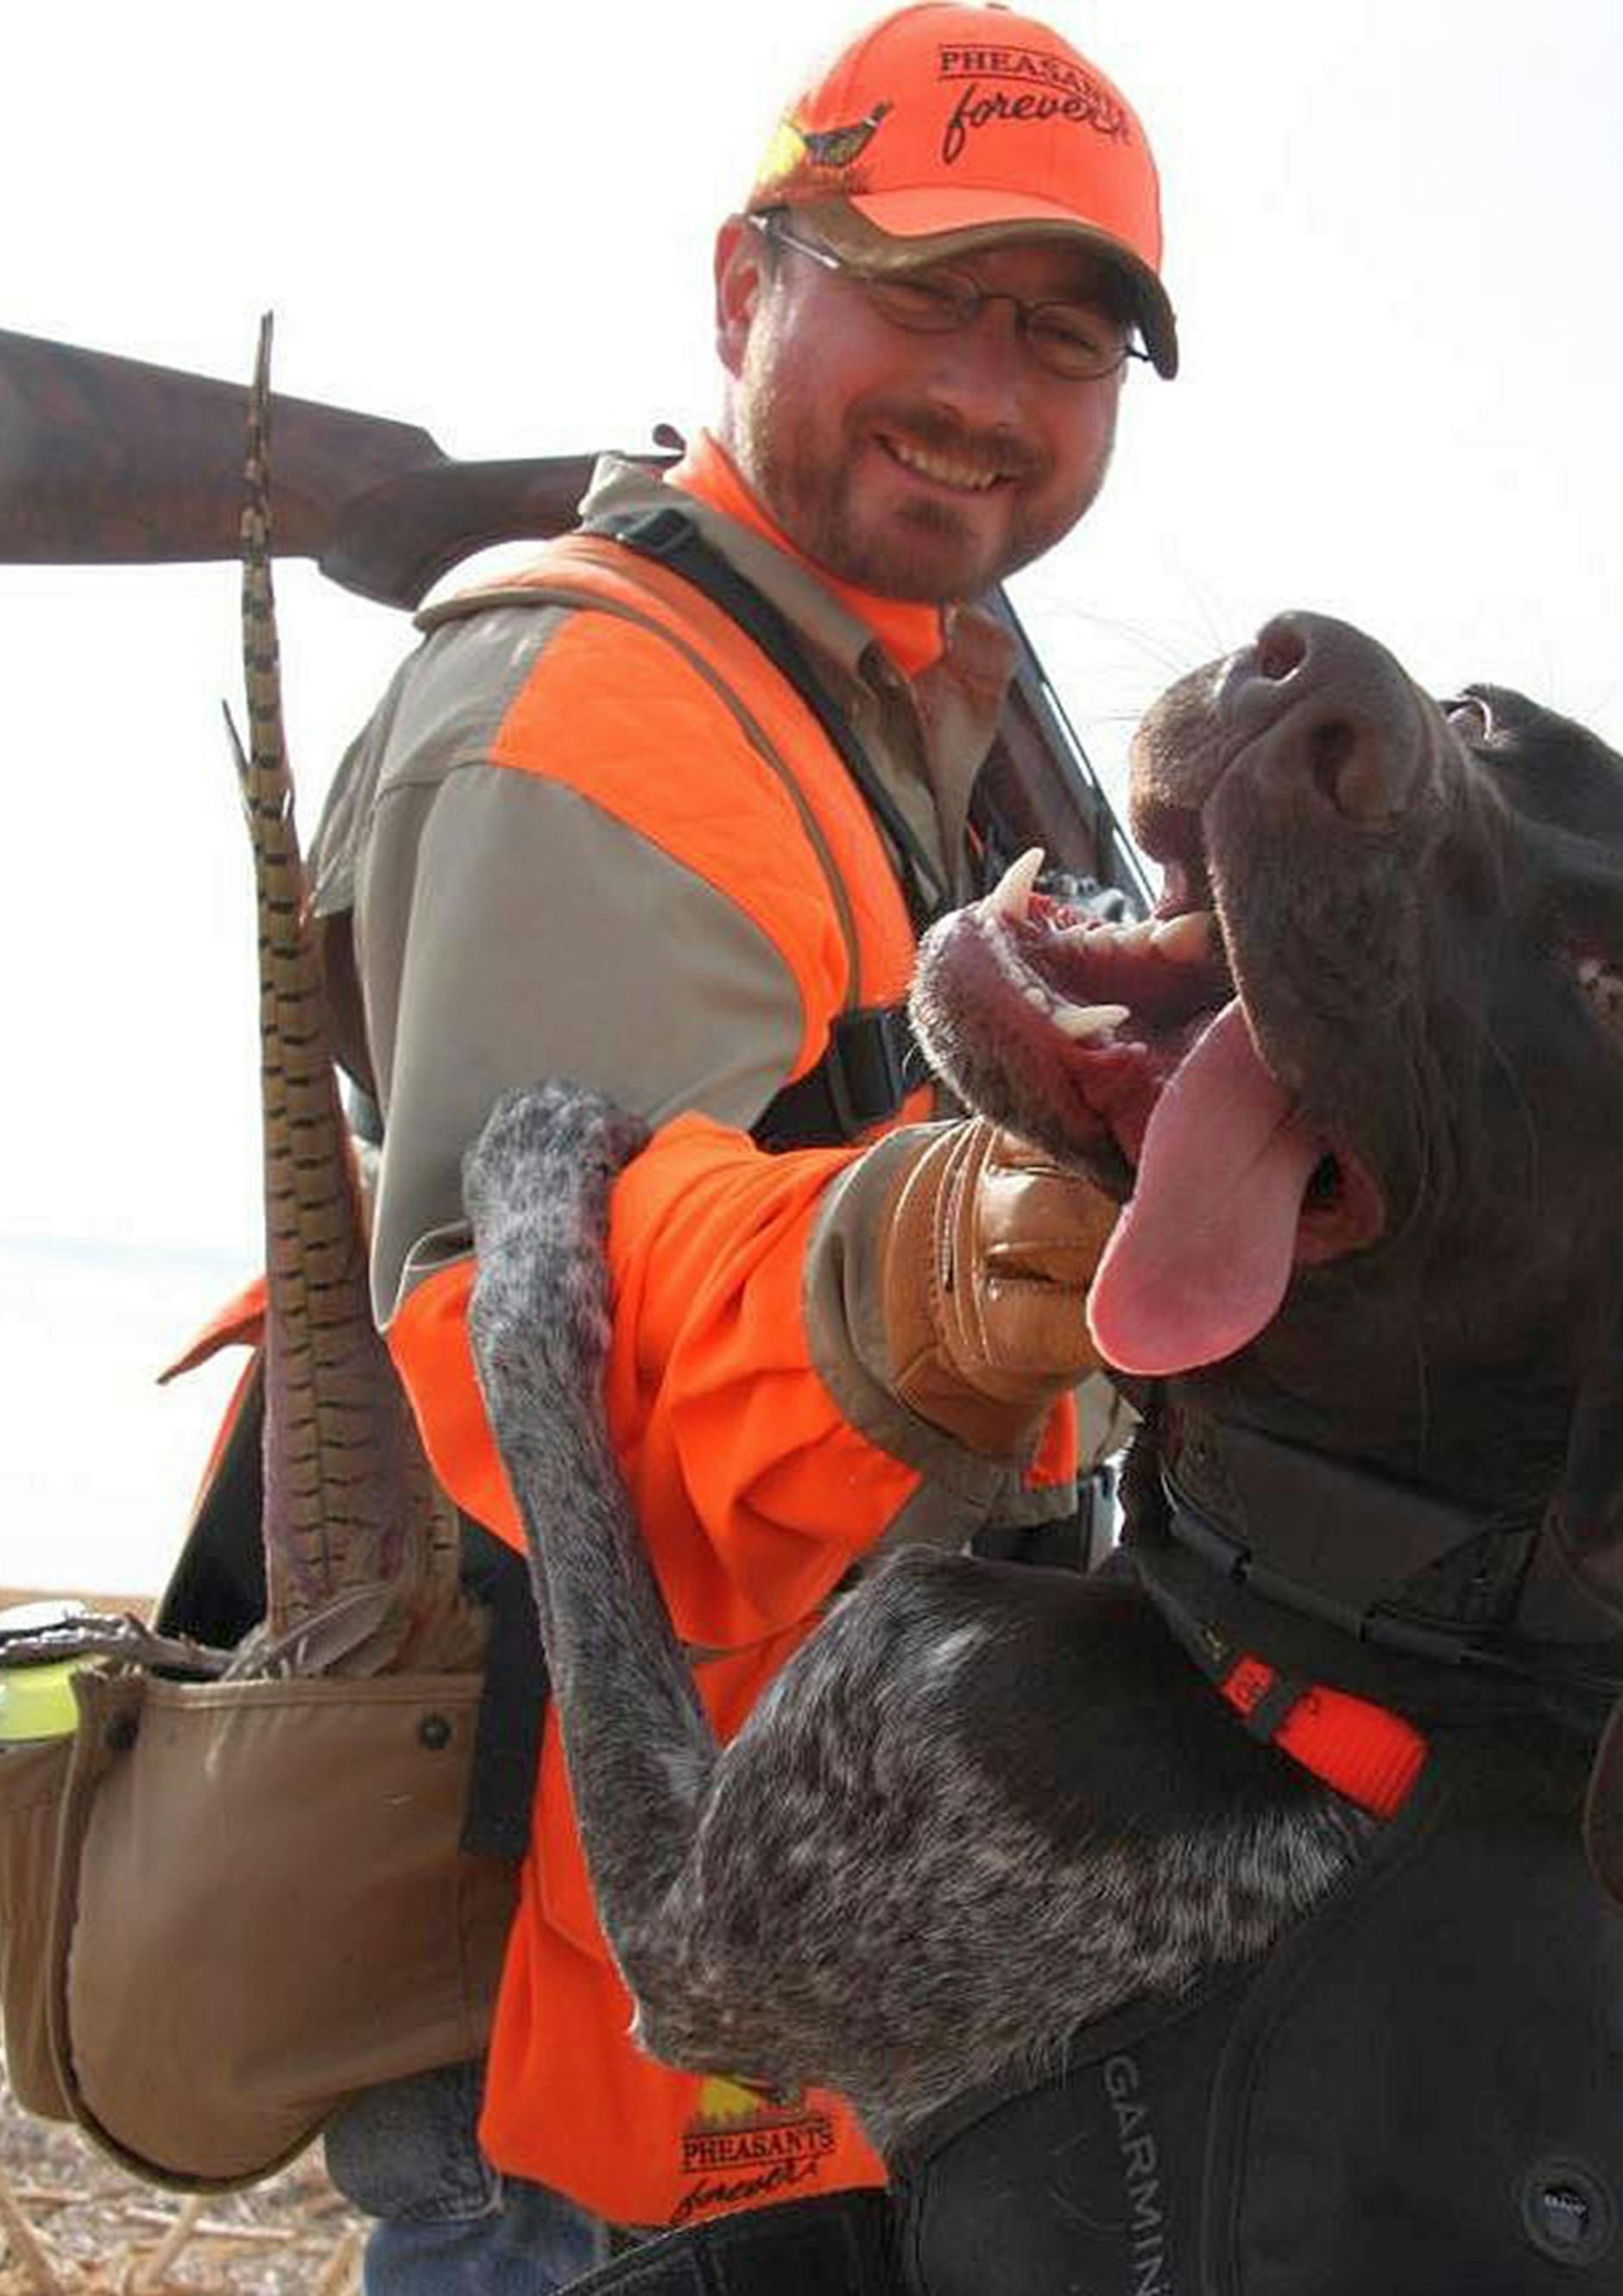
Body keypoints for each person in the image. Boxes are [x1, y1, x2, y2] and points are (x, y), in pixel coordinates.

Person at [306, 3, 1178, 2287]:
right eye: (923, 294)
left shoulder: (900, 700)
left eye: (1066, 337)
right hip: (603, 2094)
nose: (989, 392)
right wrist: (929, 1268)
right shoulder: (599, 702)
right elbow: (529, 1330)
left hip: (818, 1985)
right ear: (738, 290)